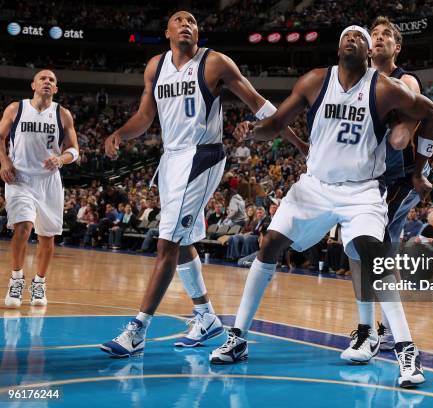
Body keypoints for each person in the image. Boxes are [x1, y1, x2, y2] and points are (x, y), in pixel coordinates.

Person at [209, 25, 433, 389]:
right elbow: (277, 122)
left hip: (362, 190)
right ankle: (238, 337)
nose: (354, 39)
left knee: (372, 255)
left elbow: (432, 114)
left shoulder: (384, 88)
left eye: (360, 38)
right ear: (337, 49)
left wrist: (420, 169)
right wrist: (255, 133)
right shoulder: (315, 80)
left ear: (368, 54)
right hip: (315, 186)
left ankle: (408, 351)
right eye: (348, 36)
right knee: (270, 243)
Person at [99, 11, 305, 357]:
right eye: (178, 20)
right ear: (167, 31)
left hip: (203, 155)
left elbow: (259, 104)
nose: (186, 24)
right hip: (171, 159)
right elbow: (145, 117)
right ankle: (207, 317)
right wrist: (120, 133)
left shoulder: (215, 63)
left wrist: (299, 144)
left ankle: (137, 330)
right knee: (182, 243)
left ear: (198, 32)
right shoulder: (155, 67)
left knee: (166, 244)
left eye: (192, 21)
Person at [344, 16, 433, 358]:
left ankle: (378, 332)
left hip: (400, 177)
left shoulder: (405, 79)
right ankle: (375, 327)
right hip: (369, 179)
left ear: (397, 47)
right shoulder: (357, 82)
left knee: (372, 246)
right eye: (375, 35)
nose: (379, 38)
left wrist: (419, 169)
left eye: (386, 35)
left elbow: (404, 136)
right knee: (364, 248)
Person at [0, 69, 79, 308]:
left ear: (55, 89)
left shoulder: (63, 115)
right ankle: (16, 279)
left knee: (47, 237)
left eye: (52, 80)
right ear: (33, 84)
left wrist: (61, 159)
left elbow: (74, 150)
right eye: (43, 78)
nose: (47, 82)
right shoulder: (16, 109)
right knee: (23, 227)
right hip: (20, 178)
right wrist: (4, 161)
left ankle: (39, 283)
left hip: (49, 181)